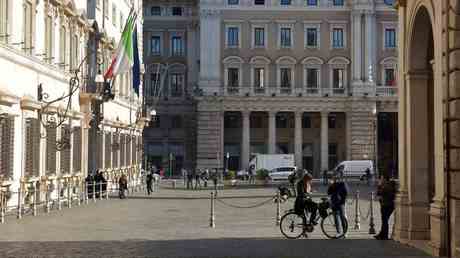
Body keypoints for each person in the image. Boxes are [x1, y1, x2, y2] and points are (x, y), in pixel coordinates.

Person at [374, 174, 396, 240]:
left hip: (386, 205)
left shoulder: (386, 186)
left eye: (382, 178)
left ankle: (384, 235)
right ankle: (382, 234)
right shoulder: (389, 185)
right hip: (388, 205)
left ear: (385, 179)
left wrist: (379, 185)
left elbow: (379, 193)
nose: (380, 180)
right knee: (384, 220)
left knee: (385, 220)